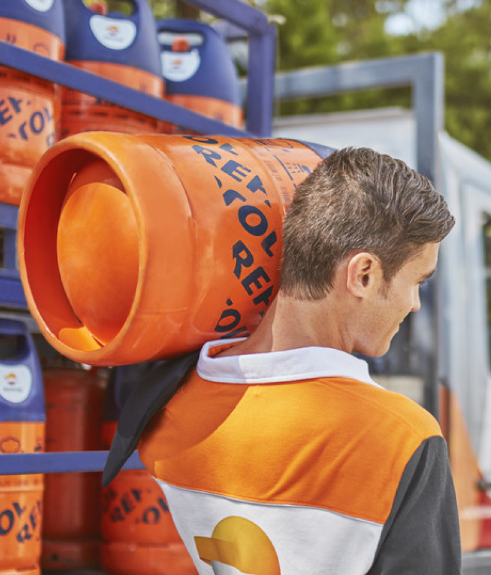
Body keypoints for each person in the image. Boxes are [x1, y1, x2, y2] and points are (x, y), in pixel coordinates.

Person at [132, 147, 460, 575]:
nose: (414, 305)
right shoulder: (403, 439)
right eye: (417, 282)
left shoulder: (164, 409)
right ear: (363, 275)